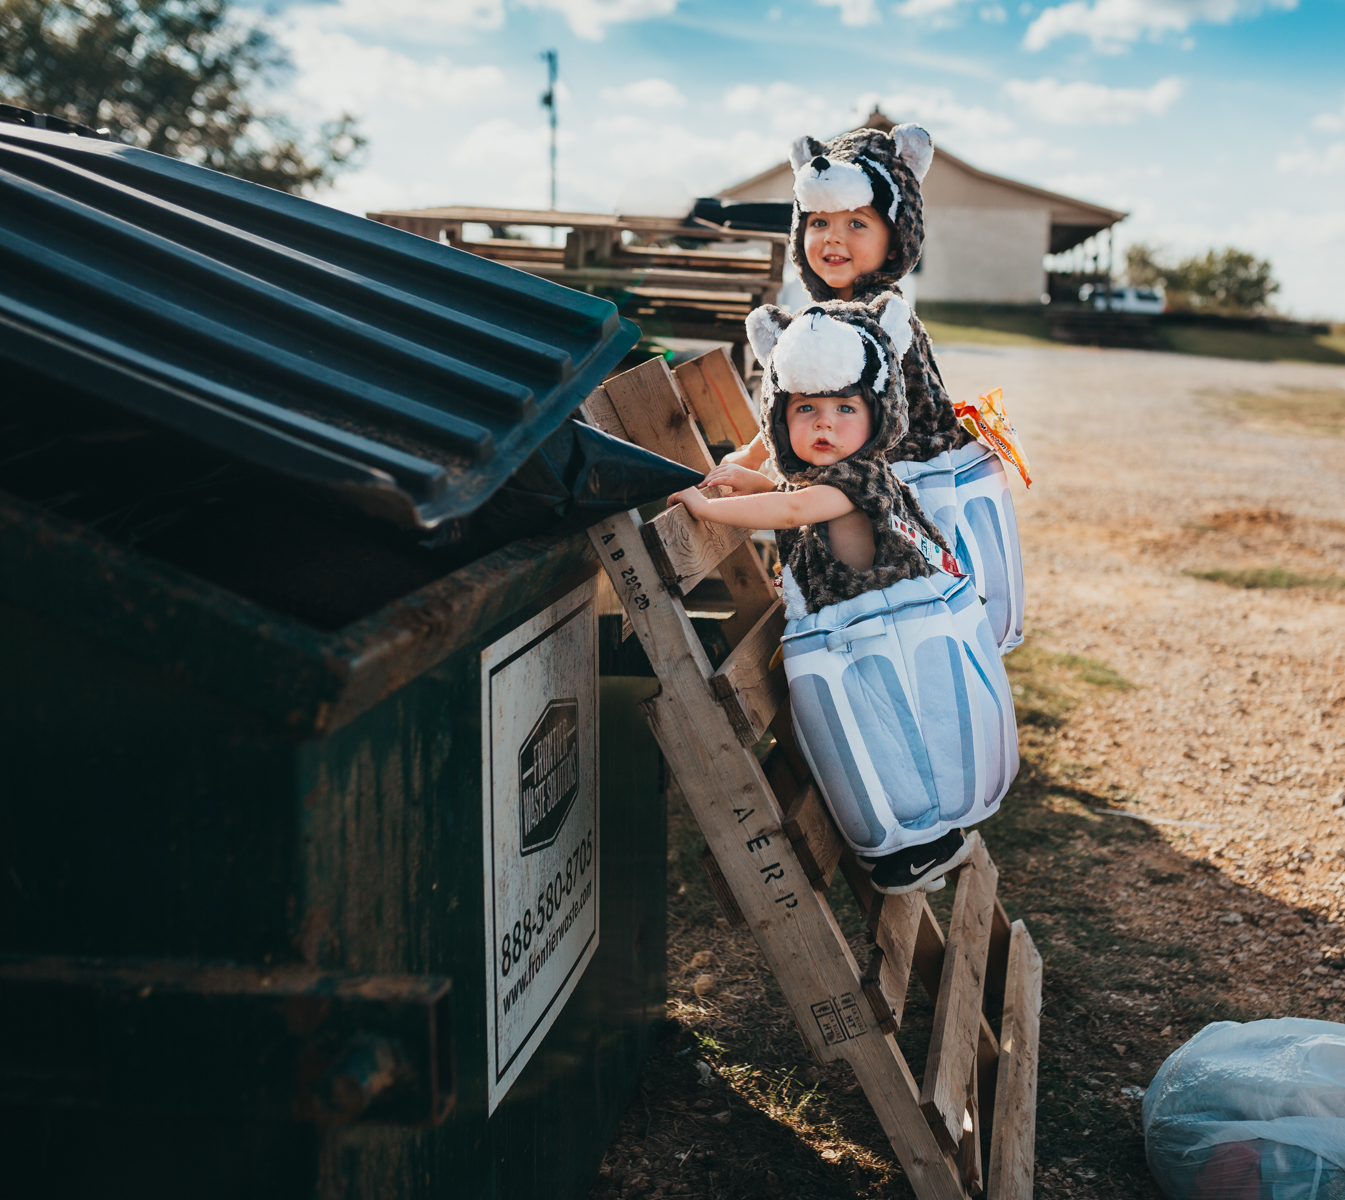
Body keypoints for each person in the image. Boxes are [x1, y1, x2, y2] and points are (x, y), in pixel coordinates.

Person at [668, 296, 1018, 895]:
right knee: (886, 743)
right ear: (781, 416)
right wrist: (747, 481)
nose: (824, 424)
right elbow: (789, 493)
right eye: (806, 409)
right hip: (863, 634)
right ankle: (925, 843)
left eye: (843, 408)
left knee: (902, 739)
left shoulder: (861, 475)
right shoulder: (829, 475)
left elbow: (798, 507)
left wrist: (709, 507)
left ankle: (926, 844)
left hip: (886, 634)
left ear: (877, 413)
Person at [725, 123, 1026, 654]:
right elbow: (793, 405)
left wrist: (753, 460)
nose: (833, 238)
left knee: (896, 616)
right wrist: (751, 458)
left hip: (903, 490)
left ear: (897, 235)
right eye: (818, 221)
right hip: (861, 488)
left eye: (857, 223)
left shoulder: (872, 321)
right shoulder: (825, 318)